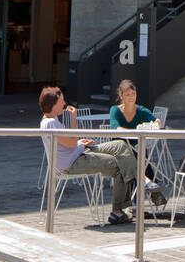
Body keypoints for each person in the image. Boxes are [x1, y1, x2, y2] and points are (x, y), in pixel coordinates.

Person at [39, 85, 139, 226]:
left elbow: (69, 143)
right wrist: (74, 119)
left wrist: (80, 143)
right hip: (72, 163)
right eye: (61, 101)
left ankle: (140, 179)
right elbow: (72, 142)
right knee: (119, 165)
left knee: (120, 145)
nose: (64, 103)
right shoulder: (50, 124)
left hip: (79, 153)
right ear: (53, 104)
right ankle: (118, 211)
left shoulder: (50, 120)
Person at [109, 78, 167, 209]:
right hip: (119, 147)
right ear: (121, 96)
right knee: (136, 155)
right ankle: (152, 189)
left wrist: (153, 125)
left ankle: (142, 196)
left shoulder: (141, 110)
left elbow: (157, 120)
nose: (131, 97)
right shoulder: (115, 110)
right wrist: (136, 131)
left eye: (133, 94)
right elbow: (115, 128)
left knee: (140, 153)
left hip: (137, 146)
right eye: (128, 94)